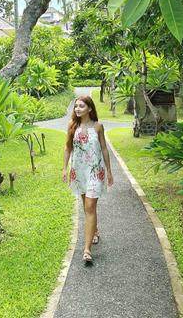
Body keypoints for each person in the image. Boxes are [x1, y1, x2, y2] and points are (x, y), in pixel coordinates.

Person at [62, 95, 114, 264]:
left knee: (90, 206)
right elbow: (68, 148)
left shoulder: (98, 127)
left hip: (94, 171)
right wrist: (64, 168)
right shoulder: (73, 126)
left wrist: (109, 171)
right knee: (87, 207)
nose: (77, 109)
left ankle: (86, 250)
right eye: (76, 106)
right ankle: (95, 231)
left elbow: (104, 149)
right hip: (79, 172)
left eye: (81, 106)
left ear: (90, 109)